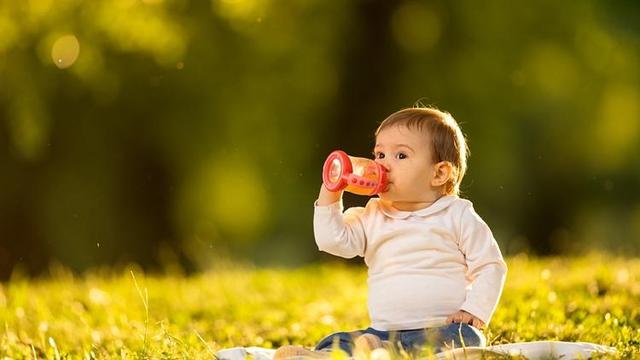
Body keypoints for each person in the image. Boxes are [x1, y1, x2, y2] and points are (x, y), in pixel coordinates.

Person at [274, 106, 507, 358]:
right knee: (338, 339)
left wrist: (474, 310)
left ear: (439, 173)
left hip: (441, 328)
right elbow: (332, 241)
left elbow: (490, 265)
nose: (383, 165)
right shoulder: (373, 214)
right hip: (382, 332)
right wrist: (331, 191)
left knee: (467, 339)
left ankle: (378, 353)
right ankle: (328, 355)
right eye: (380, 154)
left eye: (401, 156)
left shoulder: (457, 215)